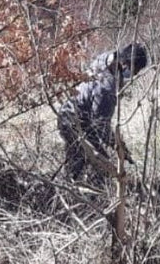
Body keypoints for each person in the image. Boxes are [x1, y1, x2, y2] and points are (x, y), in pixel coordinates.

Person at [57, 43, 149, 180]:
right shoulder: (107, 89)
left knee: (77, 161)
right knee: (103, 166)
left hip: (68, 113)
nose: (132, 75)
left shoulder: (106, 57)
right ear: (125, 64)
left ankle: (71, 187)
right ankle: (91, 195)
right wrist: (118, 146)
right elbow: (100, 126)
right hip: (74, 121)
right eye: (134, 71)